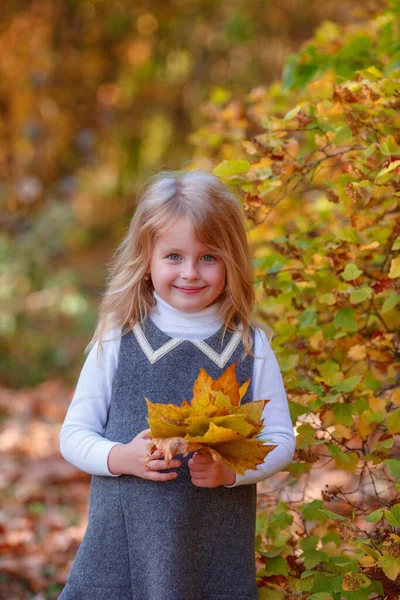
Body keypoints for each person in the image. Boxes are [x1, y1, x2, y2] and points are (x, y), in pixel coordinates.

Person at [58, 170, 296, 600]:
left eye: (209, 257)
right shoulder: (120, 336)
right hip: (122, 544)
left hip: (213, 545)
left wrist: (230, 471)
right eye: (173, 256)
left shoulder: (249, 345)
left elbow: (281, 438)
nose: (190, 272)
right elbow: (73, 434)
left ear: (232, 261)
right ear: (146, 259)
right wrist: (121, 457)